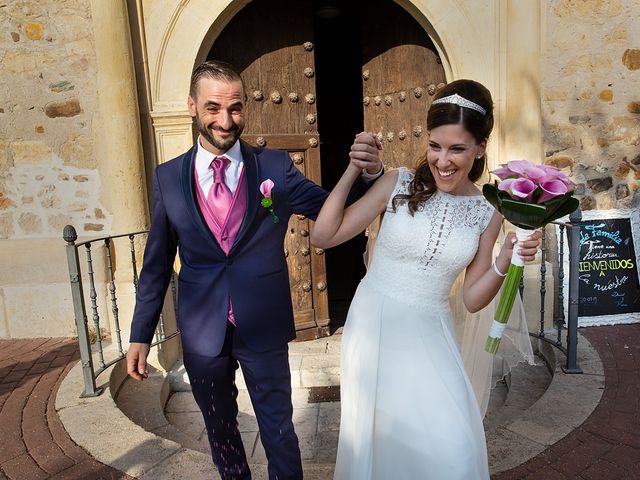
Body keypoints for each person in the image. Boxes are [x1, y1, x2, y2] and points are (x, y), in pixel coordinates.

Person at [125, 60, 383, 480]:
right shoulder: (168, 177)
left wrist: (369, 175)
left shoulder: (274, 168)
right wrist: (140, 333)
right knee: (221, 429)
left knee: (279, 428)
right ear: (192, 106)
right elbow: (155, 265)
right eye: (213, 108)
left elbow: (328, 206)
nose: (225, 121)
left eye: (235, 109)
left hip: (262, 320)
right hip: (201, 327)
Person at [310, 79, 541, 479]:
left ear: (481, 148)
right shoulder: (396, 183)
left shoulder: (488, 211)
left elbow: (471, 298)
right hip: (374, 326)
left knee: (456, 448)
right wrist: (352, 169)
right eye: (435, 146)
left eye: (457, 148)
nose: (443, 160)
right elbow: (323, 235)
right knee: (379, 442)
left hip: (431, 331)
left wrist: (505, 257)